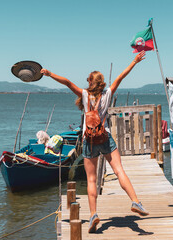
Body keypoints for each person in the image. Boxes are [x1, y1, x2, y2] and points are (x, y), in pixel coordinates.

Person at [40, 51, 148, 233]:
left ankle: (93, 215)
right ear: (102, 82)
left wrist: (50, 74)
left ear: (90, 82)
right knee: (119, 170)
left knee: (91, 179)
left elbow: (66, 82)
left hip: (89, 141)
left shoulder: (84, 94)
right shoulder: (108, 93)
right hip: (105, 137)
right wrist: (135, 61)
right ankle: (135, 201)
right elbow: (122, 75)